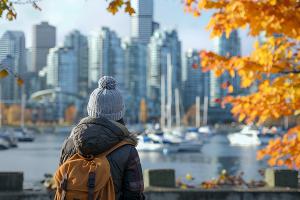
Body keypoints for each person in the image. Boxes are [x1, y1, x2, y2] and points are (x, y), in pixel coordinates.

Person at [59, 76, 144, 200]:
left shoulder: (69, 144)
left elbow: (61, 186)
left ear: (90, 110)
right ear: (120, 113)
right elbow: (135, 195)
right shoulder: (128, 151)